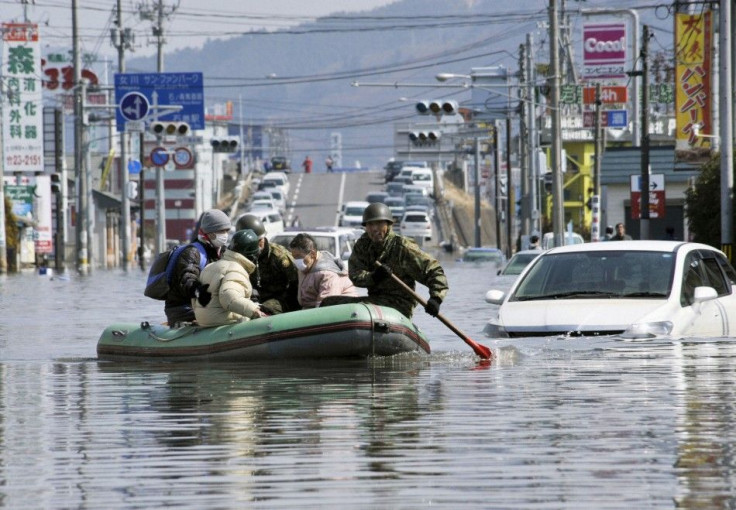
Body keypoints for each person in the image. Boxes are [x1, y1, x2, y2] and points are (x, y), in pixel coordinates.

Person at [321, 202, 448, 319]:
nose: (374, 229)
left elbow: (434, 271)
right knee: (328, 303)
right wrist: (374, 277)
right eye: (370, 225)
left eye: (379, 223)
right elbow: (355, 275)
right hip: (375, 300)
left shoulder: (402, 247)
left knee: (362, 309)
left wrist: (435, 299)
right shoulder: (363, 246)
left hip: (399, 304)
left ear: (388, 225)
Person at [165, 209, 231, 326]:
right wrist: (199, 291)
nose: (225, 235)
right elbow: (186, 280)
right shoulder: (192, 253)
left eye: (227, 230)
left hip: (207, 306)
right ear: (210, 233)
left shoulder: (224, 252)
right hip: (183, 309)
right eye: (221, 231)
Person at [193, 229, 268, 327]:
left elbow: (195, 296)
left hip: (204, 322)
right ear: (253, 256)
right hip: (225, 322)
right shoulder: (236, 269)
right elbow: (228, 297)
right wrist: (255, 310)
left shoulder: (209, 267)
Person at [234, 213, 300, 314]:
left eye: (260, 240)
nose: (259, 244)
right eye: (252, 242)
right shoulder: (240, 257)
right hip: (253, 299)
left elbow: (297, 281)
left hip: (281, 299)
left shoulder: (278, 256)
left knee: (265, 310)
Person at [288, 233, 358, 309]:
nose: (297, 261)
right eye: (294, 257)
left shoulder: (328, 274)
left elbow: (325, 308)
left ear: (313, 254)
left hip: (340, 313)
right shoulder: (305, 267)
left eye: (299, 257)